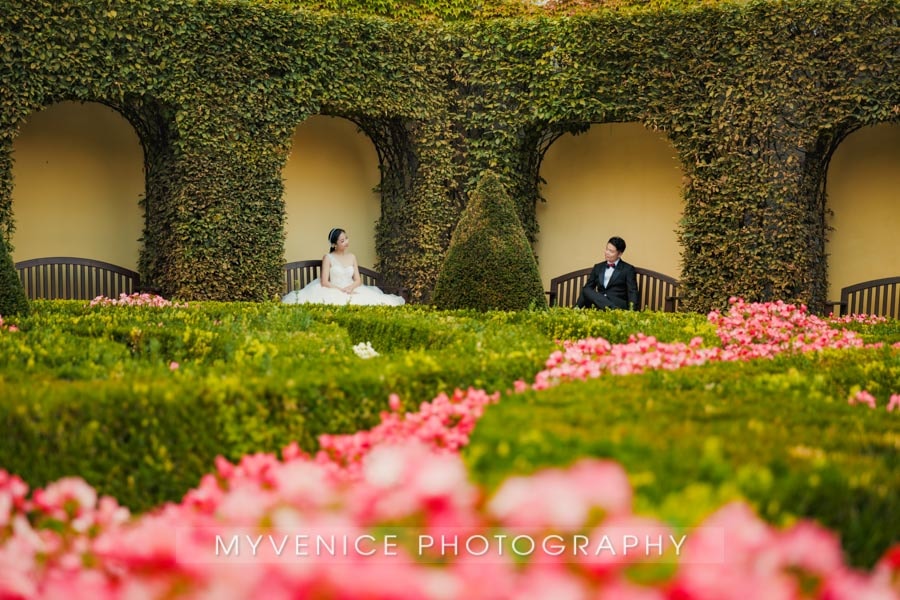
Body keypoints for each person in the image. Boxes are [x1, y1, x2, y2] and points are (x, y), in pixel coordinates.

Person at [281, 228, 405, 306]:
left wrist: (350, 288)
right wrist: (341, 291)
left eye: (346, 238)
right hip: (333, 288)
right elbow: (324, 282)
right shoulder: (328, 257)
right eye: (342, 240)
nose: (346, 242)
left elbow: (358, 280)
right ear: (334, 244)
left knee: (375, 301)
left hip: (351, 288)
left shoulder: (352, 256)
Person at [576, 236, 639, 310]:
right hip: (599, 304)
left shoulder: (628, 269)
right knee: (586, 290)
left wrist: (632, 312)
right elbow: (588, 289)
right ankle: (612, 309)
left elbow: (632, 292)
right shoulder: (598, 267)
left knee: (586, 291)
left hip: (617, 303)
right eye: (607, 249)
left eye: (611, 251)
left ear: (620, 254)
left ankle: (574, 311)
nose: (607, 253)